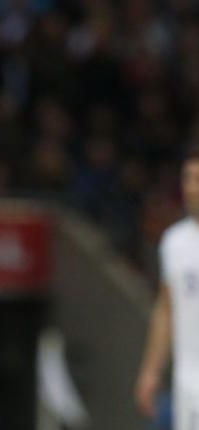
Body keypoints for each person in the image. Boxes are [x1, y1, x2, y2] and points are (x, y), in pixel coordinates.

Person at [135, 145, 199, 430]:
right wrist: (151, 370)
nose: (192, 187)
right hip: (188, 383)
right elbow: (166, 309)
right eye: (188, 178)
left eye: (198, 179)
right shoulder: (174, 242)